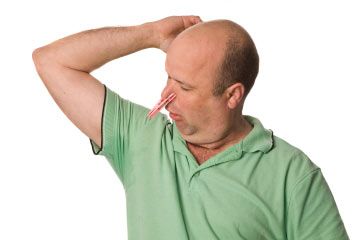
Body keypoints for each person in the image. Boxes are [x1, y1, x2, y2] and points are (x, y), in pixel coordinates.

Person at [33, 15, 349, 240]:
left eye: (183, 87)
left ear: (232, 95)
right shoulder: (141, 137)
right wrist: (151, 34)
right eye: (168, 75)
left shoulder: (293, 175)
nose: (164, 95)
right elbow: (51, 61)